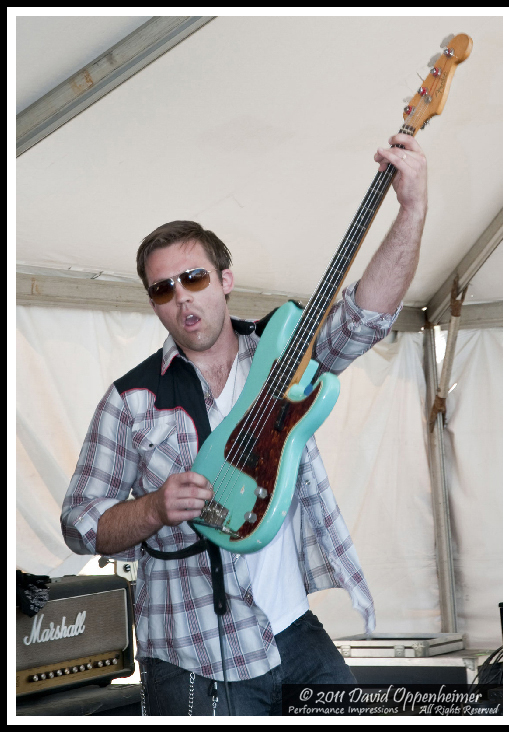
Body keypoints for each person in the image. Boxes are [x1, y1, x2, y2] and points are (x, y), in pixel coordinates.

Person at [61, 134, 427, 716]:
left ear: (225, 279)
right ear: (153, 302)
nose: (183, 299)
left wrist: (411, 209)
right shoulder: (130, 400)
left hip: (293, 634)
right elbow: (81, 524)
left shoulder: (284, 355)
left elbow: (363, 316)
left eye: (195, 278)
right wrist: (153, 507)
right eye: (163, 289)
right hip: (193, 655)